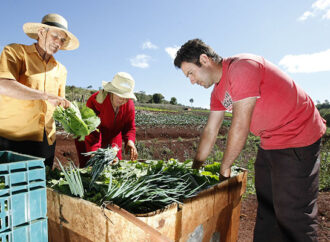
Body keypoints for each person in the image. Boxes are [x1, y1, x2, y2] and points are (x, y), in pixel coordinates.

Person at [174, 38, 326, 242]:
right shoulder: (217, 93)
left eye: (191, 73)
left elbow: (240, 123)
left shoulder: (242, 67)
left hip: (298, 136)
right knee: (267, 211)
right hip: (270, 140)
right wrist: (195, 167)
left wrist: (224, 168)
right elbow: (211, 131)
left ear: (204, 59)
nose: (191, 81)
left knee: (293, 215)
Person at [0, 13, 79, 168]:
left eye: (62, 40)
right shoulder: (15, 52)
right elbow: (4, 84)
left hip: (45, 140)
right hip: (12, 137)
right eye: (55, 36)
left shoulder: (61, 70)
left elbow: (58, 103)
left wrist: (72, 115)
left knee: (40, 186)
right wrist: (45, 96)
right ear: (41, 32)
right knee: (9, 187)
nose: (59, 43)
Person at [75, 72, 138, 167]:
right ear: (112, 91)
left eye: (126, 97)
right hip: (89, 136)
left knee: (115, 166)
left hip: (113, 136)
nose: (123, 100)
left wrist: (130, 141)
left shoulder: (129, 105)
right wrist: (95, 153)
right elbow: (91, 130)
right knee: (90, 169)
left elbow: (129, 126)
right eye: (120, 95)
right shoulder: (95, 100)